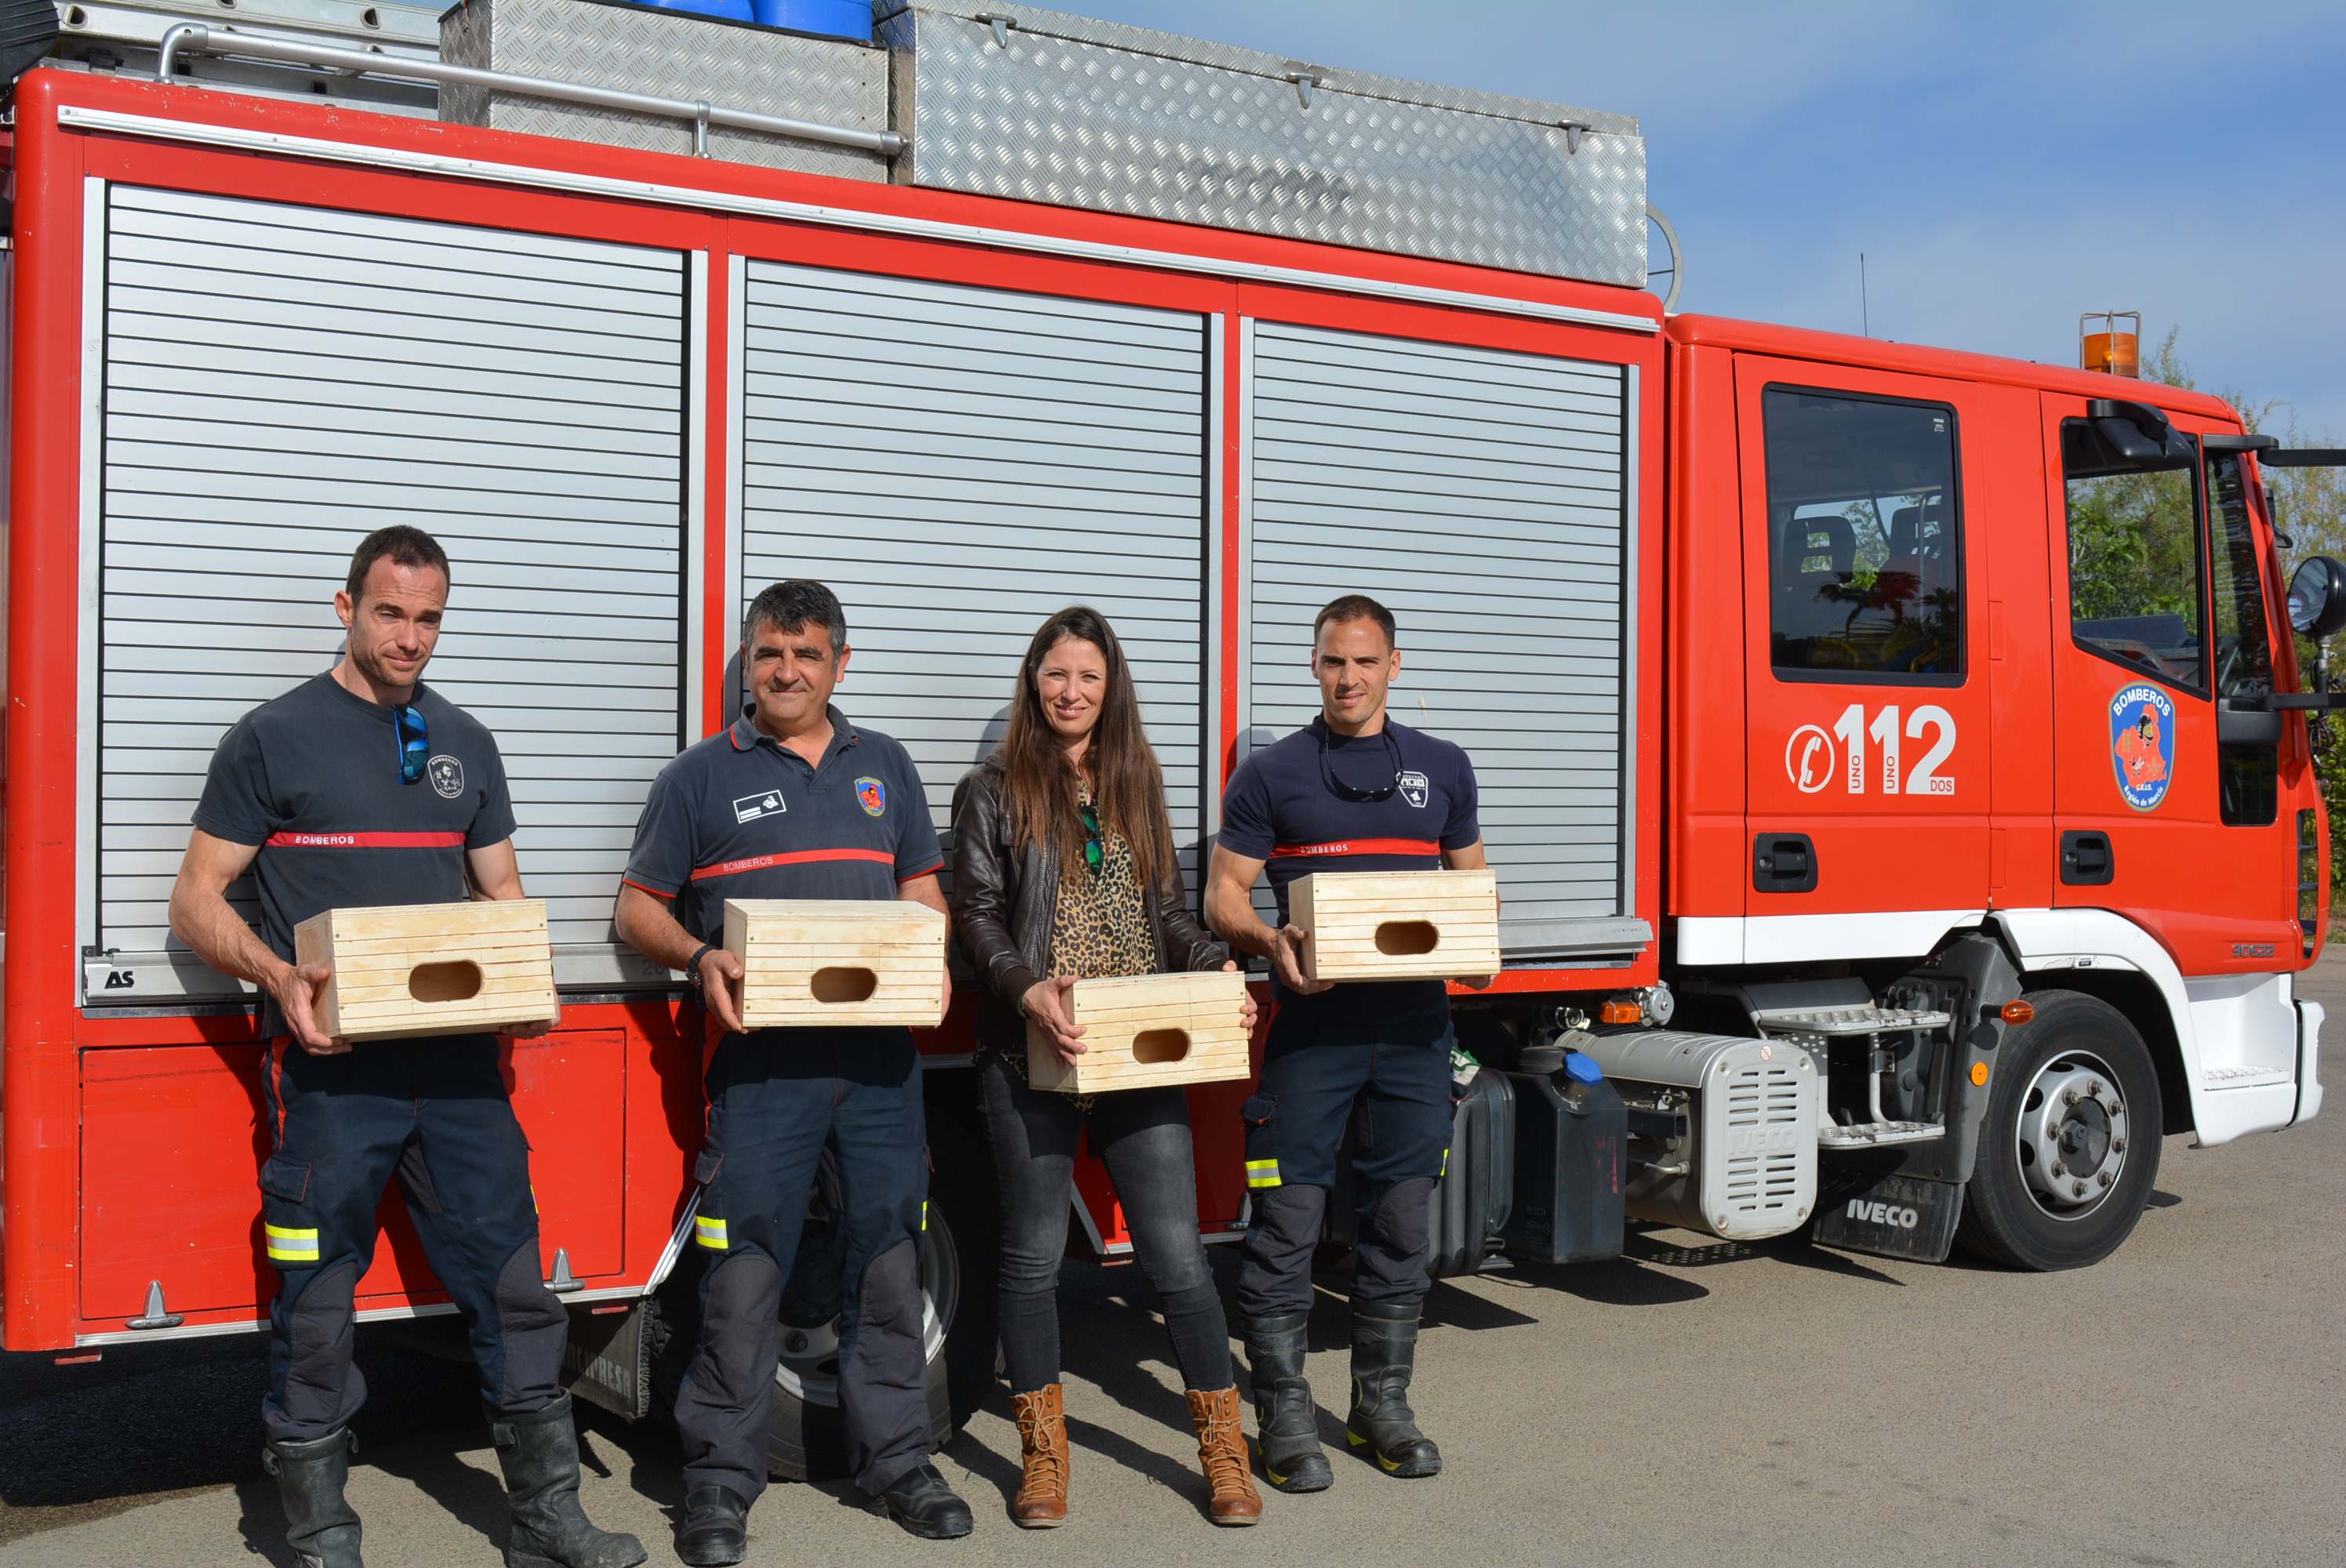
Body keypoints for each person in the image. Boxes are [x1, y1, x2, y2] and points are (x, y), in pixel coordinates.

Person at [168, 526, 645, 1568]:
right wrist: (278, 975)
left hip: (461, 1077)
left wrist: (530, 988)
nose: (411, 636)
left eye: (429, 618)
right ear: (346, 609)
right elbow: (195, 901)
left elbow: (502, 893)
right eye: (391, 613)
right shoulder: (273, 738)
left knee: (515, 1285)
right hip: (332, 1077)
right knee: (315, 1289)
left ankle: (545, 1518)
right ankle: (321, 1531)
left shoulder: (466, 741)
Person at [612, 581, 971, 1563]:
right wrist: (698, 957)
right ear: (748, 659)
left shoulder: (884, 765)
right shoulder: (697, 778)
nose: (787, 670)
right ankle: (721, 1484)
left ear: (839, 664)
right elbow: (635, 909)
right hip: (760, 1071)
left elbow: (924, 893)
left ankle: (900, 1462)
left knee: (890, 1262)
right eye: (771, 652)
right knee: (741, 1276)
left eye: (808, 654)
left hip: (878, 1068)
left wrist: (931, 957)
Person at [950, 608, 1265, 1530]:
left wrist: (1214, 969)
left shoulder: (1135, 783)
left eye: (1088, 676)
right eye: (1055, 673)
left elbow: (1168, 914)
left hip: (1134, 1045)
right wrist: (1027, 988)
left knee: (1175, 1257)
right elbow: (974, 917)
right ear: (1032, 680)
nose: (1071, 691)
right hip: (1030, 1048)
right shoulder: (994, 789)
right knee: (1031, 1259)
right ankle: (1043, 1460)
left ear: (1110, 686)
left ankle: (1223, 1451)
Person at [1204, 593, 1493, 1494]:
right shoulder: (1272, 772)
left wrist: (1481, 949)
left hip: (1414, 1033)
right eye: (1333, 661)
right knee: (1285, 1225)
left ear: (1393, 666)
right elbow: (1222, 893)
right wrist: (1268, 941)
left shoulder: (1442, 768)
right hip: (1313, 1036)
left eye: (1365, 661)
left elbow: (1470, 885)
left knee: (1401, 1224)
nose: (1348, 678)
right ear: (1314, 665)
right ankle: (1285, 1417)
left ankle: (1381, 1407)